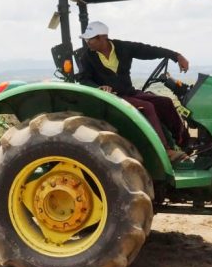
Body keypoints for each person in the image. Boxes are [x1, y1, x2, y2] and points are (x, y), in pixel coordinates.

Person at [77, 21, 190, 162]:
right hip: (112, 98)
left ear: (102, 37)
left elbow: (149, 50)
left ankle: (185, 143)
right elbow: (83, 79)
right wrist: (98, 88)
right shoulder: (86, 57)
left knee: (164, 102)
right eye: (86, 39)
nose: (87, 42)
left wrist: (176, 56)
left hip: (128, 92)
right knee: (147, 108)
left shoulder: (123, 47)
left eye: (90, 38)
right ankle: (165, 151)